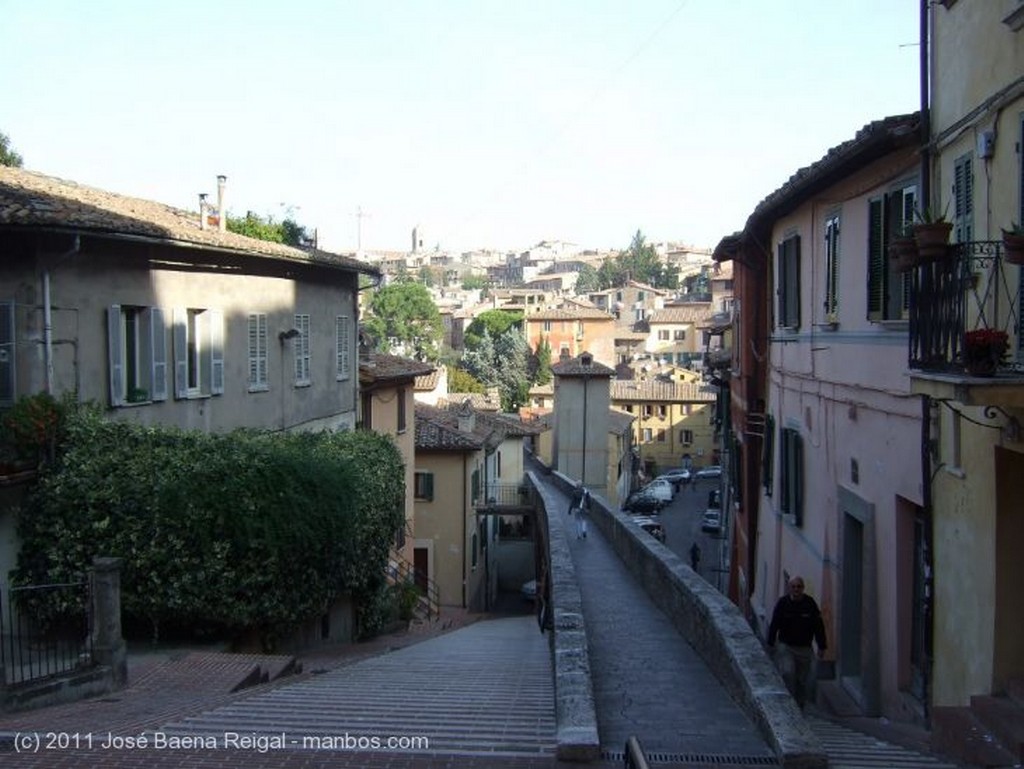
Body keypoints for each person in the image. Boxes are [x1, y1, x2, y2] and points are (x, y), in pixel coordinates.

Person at [767, 576, 827, 711]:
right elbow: (775, 623)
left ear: (803, 588)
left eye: (799, 587)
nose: (796, 589)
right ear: (789, 588)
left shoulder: (810, 604)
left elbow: (818, 626)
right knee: (788, 672)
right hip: (786, 646)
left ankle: (799, 705)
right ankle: (789, 705)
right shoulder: (783, 603)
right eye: (793, 587)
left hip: (804, 648)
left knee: (802, 680)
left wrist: (822, 645)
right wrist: (770, 642)